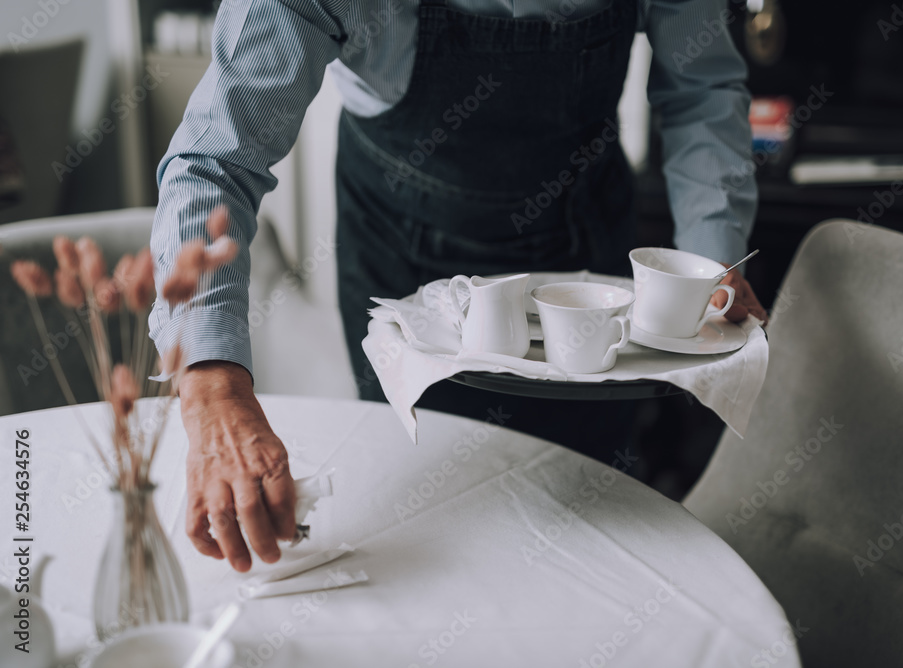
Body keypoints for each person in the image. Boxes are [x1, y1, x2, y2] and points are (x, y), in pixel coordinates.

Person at [150, 0, 767, 573]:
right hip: (401, 249)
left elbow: (701, 89)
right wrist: (213, 386)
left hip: (585, 244)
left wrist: (708, 266)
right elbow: (215, 162)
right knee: (428, 519)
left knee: (588, 524)